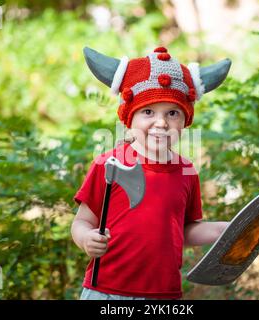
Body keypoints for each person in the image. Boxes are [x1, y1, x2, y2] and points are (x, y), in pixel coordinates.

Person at [71, 46, 231, 300]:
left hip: (163, 294)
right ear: (129, 117)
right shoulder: (108, 164)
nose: (161, 122)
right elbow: (82, 221)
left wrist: (223, 230)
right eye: (148, 111)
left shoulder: (186, 172)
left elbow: (183, 229)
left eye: (172, 113)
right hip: (108, 292)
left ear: (185, 120)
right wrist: (85, 238)